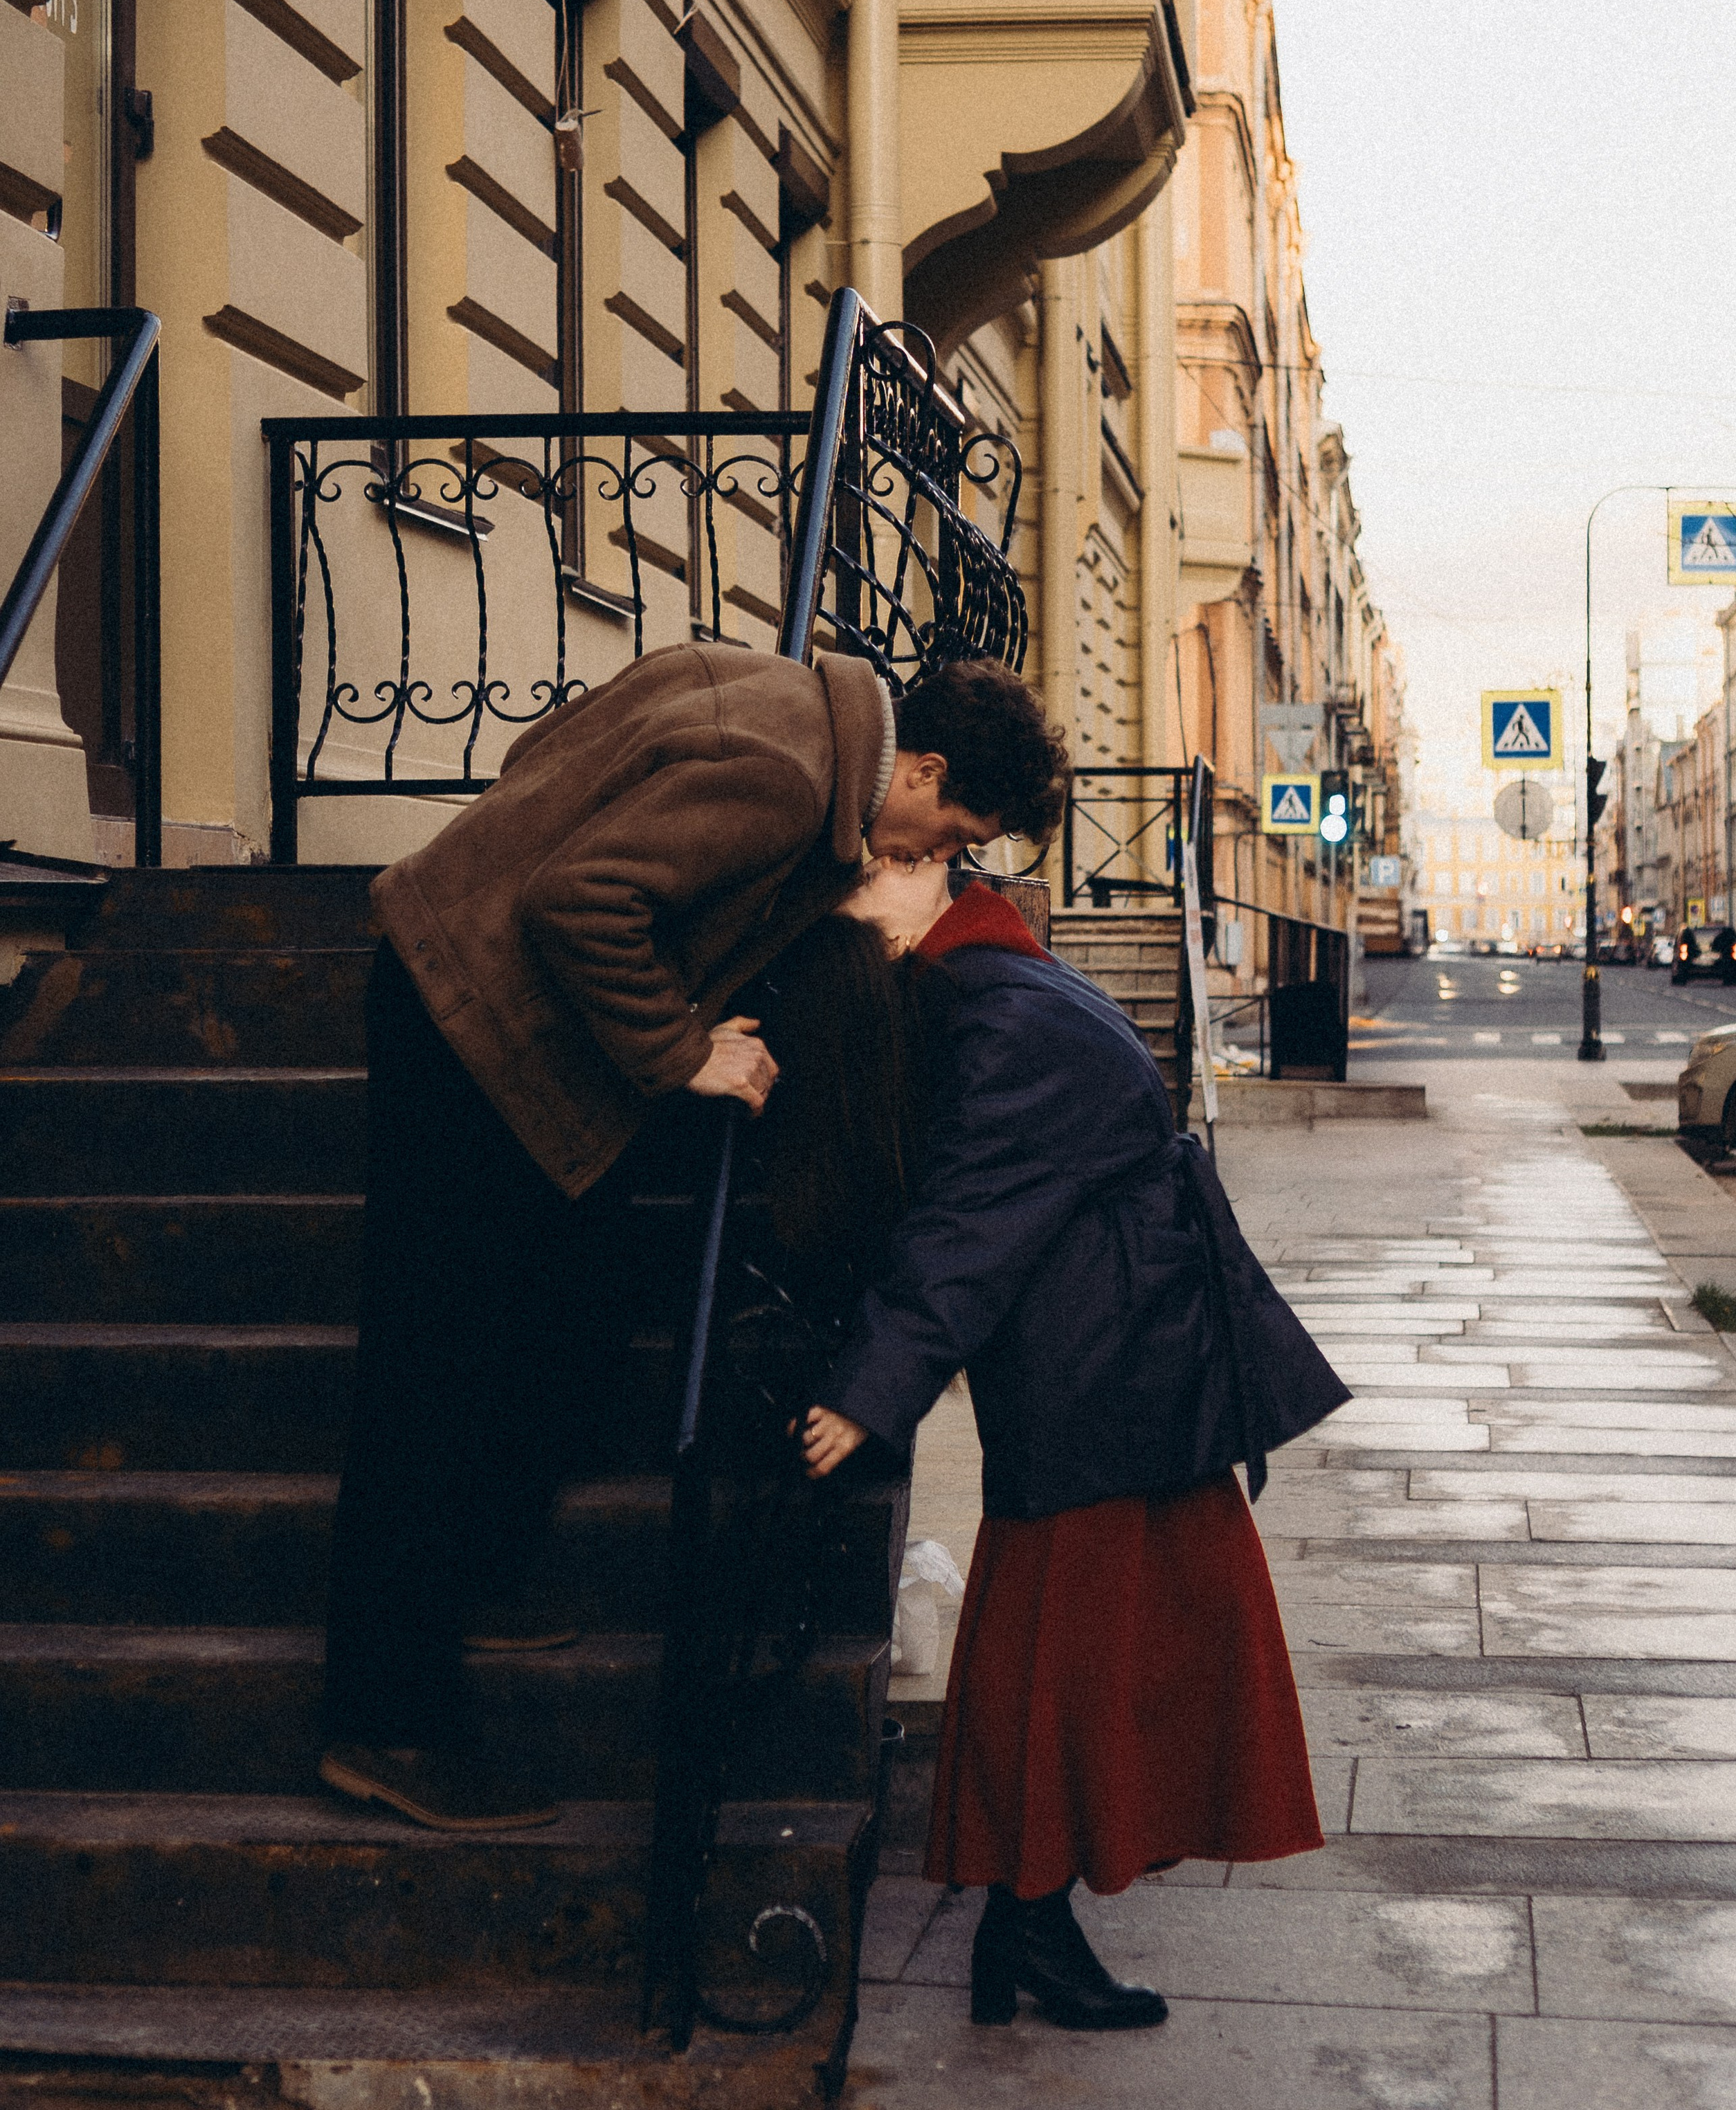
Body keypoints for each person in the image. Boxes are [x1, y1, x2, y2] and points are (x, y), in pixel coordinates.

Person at [318, 643, 1069, 1830]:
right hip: (467, 1024)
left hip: (463, 991)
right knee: (435, 1363)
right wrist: (682, 1052)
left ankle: (460, 1572)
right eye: (950, 832)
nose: (936, 858)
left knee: (583, 1287)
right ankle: (384, 1721)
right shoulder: (783, 781)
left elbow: (544, 761)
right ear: (920, 769)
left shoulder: (766, 689)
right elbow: (581, 900)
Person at [797, 858, 1329, 2033]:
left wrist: (875, 1387)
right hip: (1113, 1350)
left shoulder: (1000, 1009)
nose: (838, 903)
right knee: (1070, 1644)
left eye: (860, 878)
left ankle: (1027, 1922)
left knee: (1084, 1645)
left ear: (932, 868)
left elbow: (970, 1218)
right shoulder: (984, 979)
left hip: (1113, 1361)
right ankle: (1026, 1924)